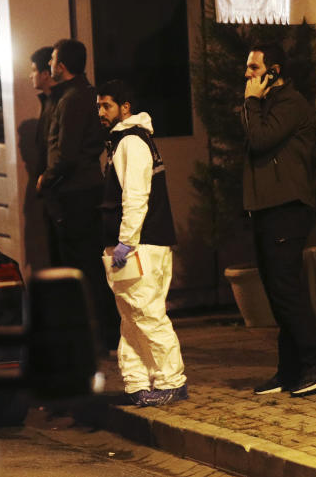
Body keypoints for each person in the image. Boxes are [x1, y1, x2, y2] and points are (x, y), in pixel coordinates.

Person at [241, 43, 316, 397]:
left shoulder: (290, 103)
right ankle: (290, 368)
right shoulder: (268, 104)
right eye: (248, 68)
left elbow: (261, 139)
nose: (247, 75)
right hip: (267, 207)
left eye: (254, 68)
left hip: (286, 207)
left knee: (288, 290)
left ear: (275, 71)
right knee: (277, 292)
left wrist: (251, 103)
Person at [97, 80, 187, 407]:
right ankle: (138, 382)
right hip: (150, 243)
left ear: (125, 107)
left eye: (106, 105)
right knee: (134, 317)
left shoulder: (129, 144)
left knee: (145, 315)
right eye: (99, 106)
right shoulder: (139, 140)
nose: (101, 112)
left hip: (139, 247)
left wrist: (125, 243)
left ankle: (170, 380)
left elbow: (135, 197)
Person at [36, 38, 119, 351]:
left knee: (82, 267)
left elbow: (67, 153)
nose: (49, 66)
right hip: (88, 189)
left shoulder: (72, 98)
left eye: (53, 60)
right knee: (92, 266)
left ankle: (95, 336)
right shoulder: (87, 93)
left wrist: (46, 177)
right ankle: (105, 332)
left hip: (75, 194)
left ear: (62, 66)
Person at [29, 46, 60, 267]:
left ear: (46, 73)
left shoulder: (60, 103)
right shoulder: (48, 102)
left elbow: (61, 150)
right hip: (51, 191)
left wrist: (46, 178)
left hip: (61, 193)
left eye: (33, 70)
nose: (30, 75)